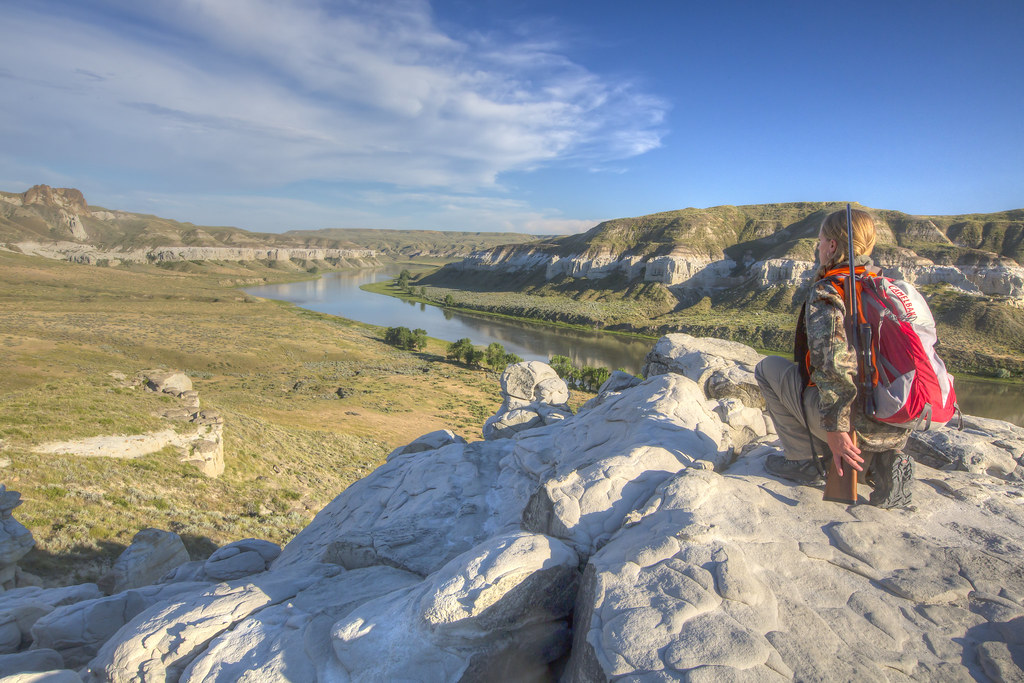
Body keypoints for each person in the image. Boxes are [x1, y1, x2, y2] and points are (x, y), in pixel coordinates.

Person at [755, 208, 913, 507]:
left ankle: (804, 461)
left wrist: (838, 431)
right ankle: (879, 462)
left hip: (854, 422)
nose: (817, 248)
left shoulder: (831, 290)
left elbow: (832, 366)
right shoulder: (887, 287)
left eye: (820, 241)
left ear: (832, 246)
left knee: (768, 368)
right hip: (895, 418)